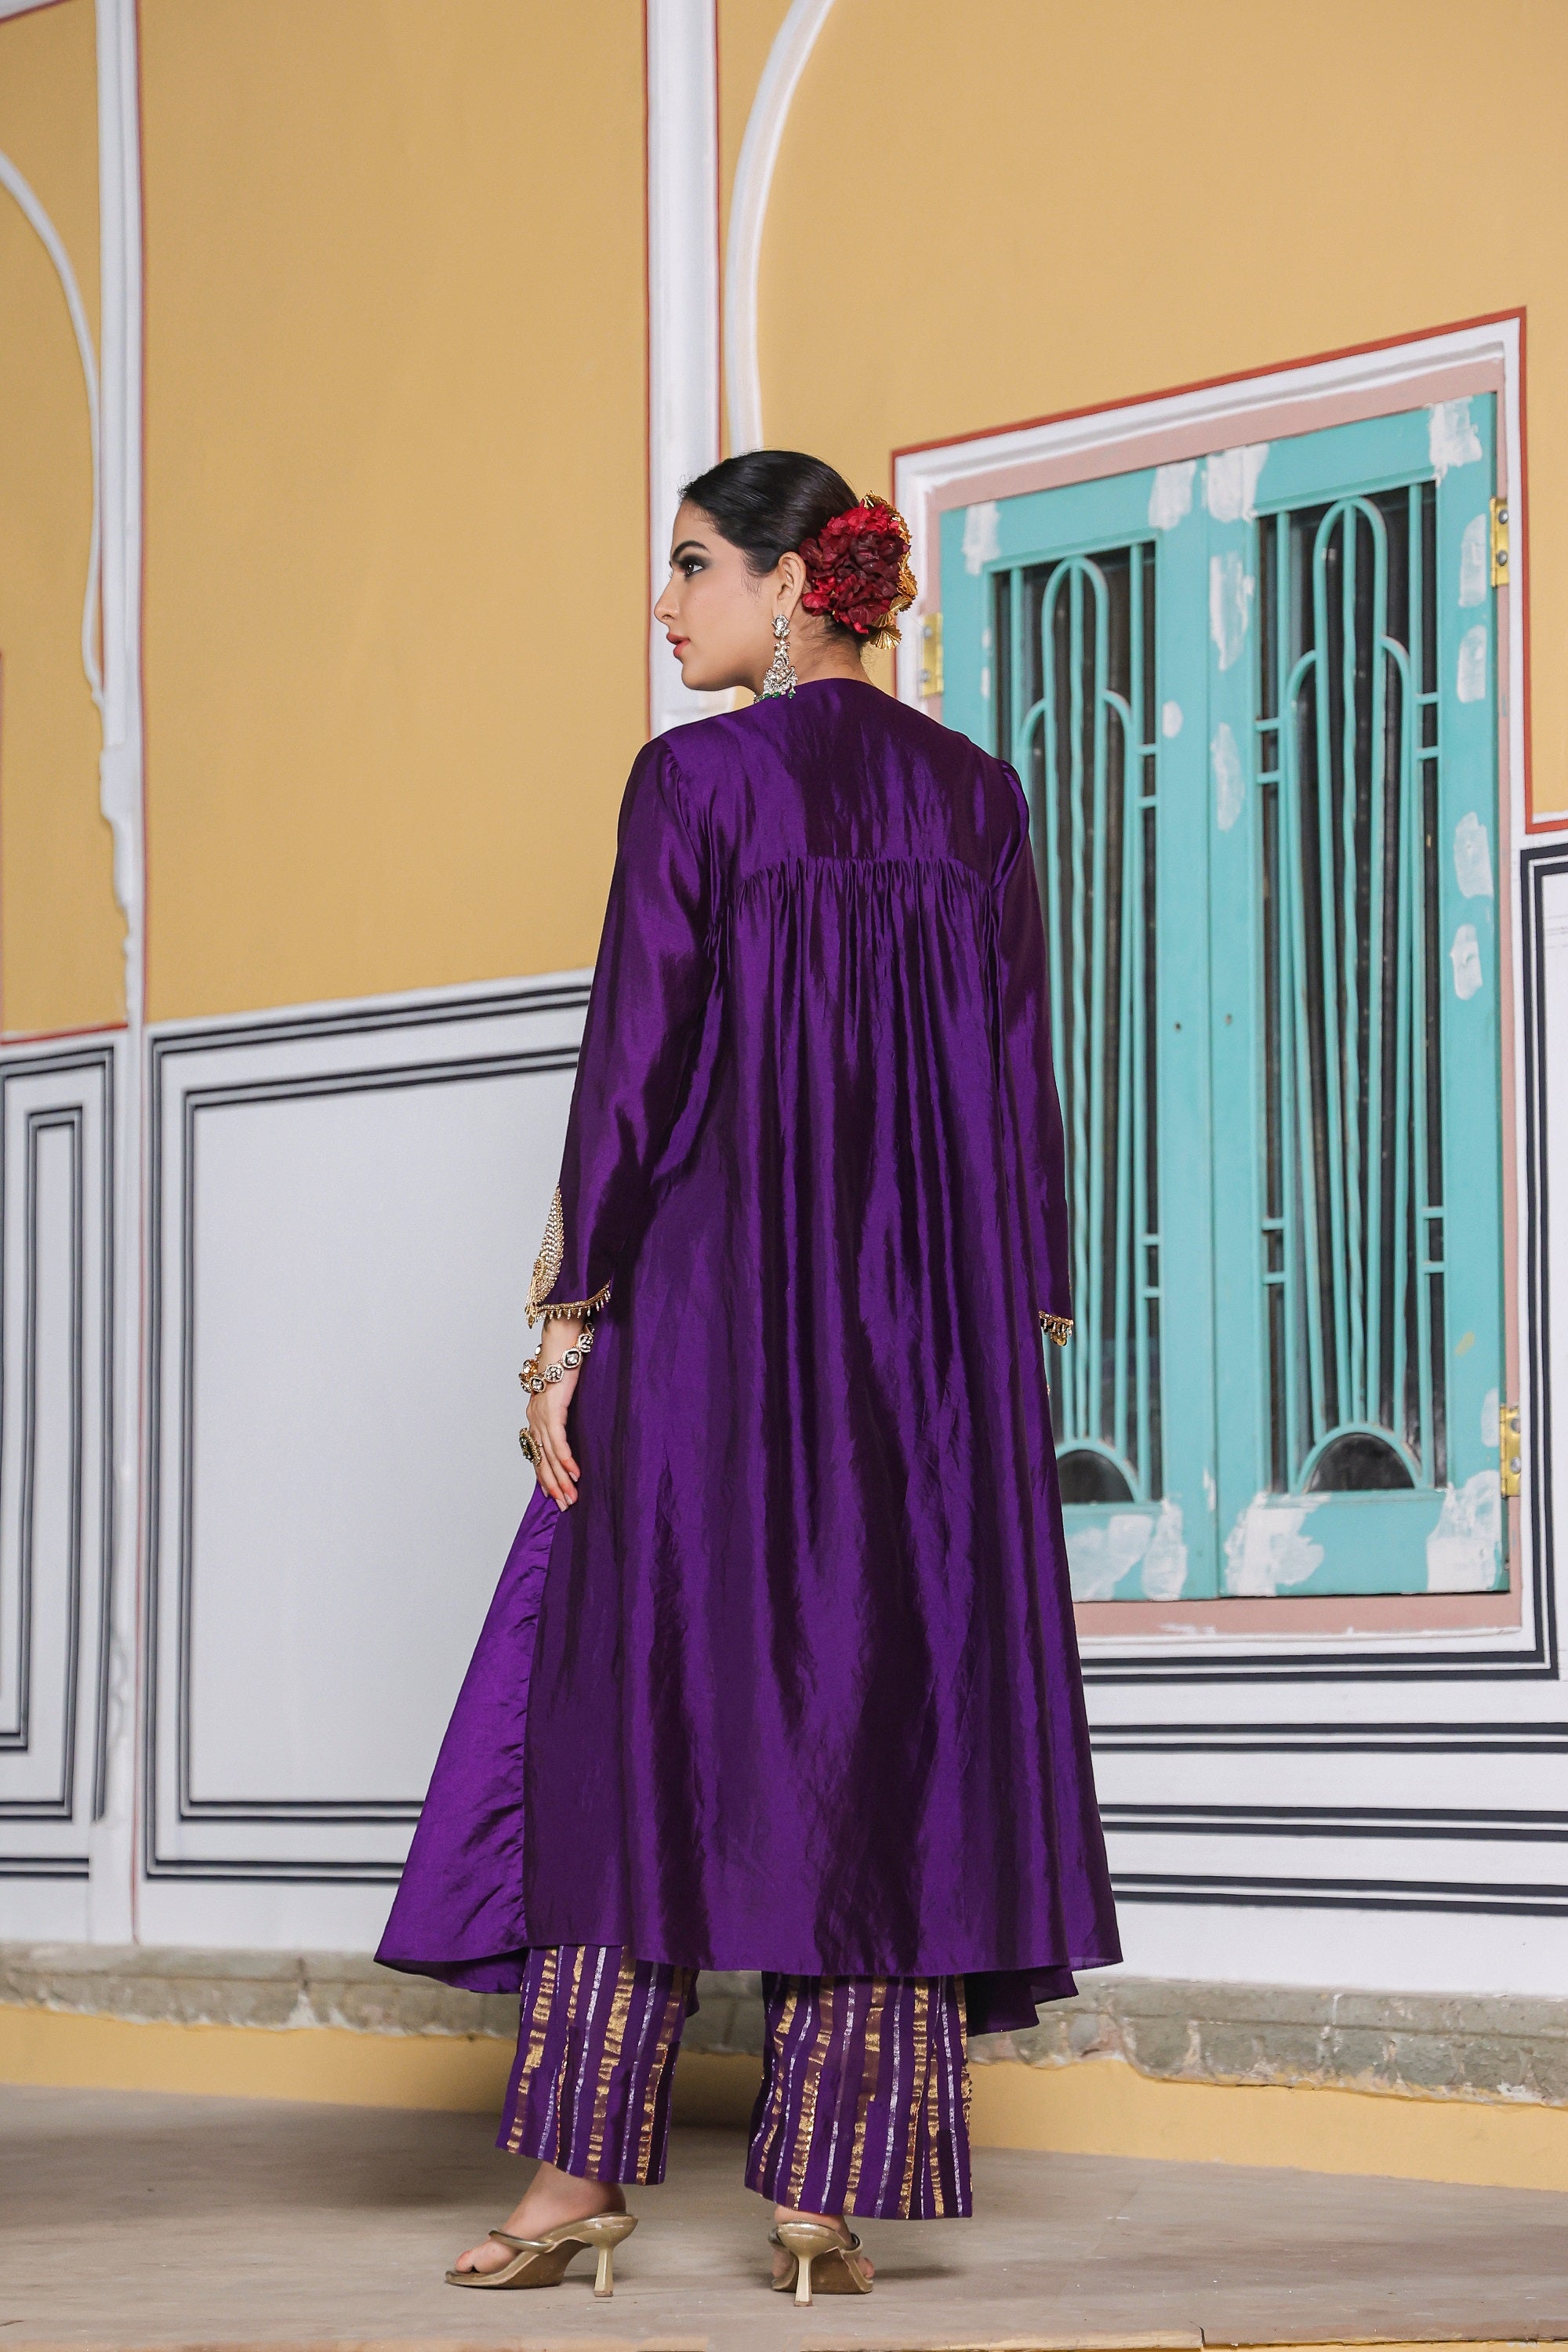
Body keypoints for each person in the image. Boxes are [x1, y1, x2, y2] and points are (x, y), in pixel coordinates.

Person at [376, 450, 1120, 2307]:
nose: (666, 603)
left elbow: (633, 1074)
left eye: (693, 565)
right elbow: (1019, 1083)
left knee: (635, 1709)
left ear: (792, 588)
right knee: (879, 1718)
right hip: (929, 1348)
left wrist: (568, 1330)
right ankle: (820, 2205)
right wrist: (1014, 1324)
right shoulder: (978, 795)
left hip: (714, 1318)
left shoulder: (693, 782)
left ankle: (574, 2182)